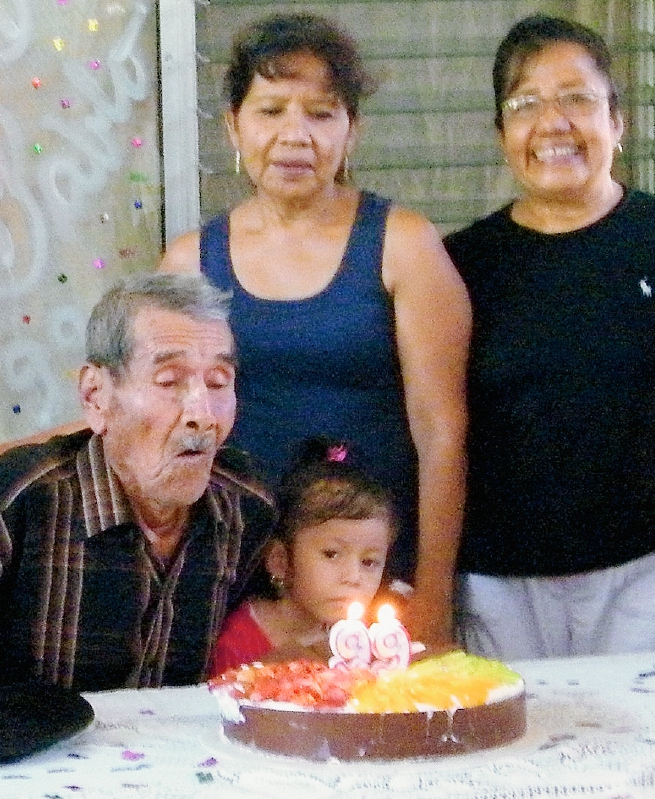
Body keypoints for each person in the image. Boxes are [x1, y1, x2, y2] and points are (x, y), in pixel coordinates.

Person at [444, 15, 655, 660]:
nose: (553, 123)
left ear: (617, 122)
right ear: (501, 133)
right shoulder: (459, 266)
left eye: (577, 99)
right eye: (525, 104)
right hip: (499, 582)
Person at [161, 13, 471, 648]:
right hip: (234, 584)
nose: (294, 135)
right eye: (271, 110)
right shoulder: (188, 262)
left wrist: (434, 601)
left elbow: (442, 436)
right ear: (233, 127)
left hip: (375, 583)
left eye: (321, 113)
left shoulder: (403, 245)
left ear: (351, 129)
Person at [0, 272, 276, 691]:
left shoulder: (246, 507)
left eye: (219, 382)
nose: (202, 415)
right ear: (96, 396)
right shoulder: (29, 496)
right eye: (168, 381)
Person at [210, 437, 393, 676]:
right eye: (331, 554)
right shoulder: (237, 645)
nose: (353, 577)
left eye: (368, 562)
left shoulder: (373, 641)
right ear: (280, 561)